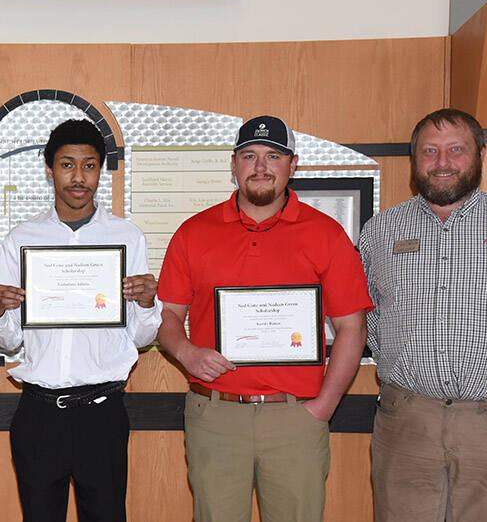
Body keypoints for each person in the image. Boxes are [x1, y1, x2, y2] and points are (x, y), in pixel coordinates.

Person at [156, 116, 372, 522]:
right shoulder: (193, 232)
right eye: (249, 156)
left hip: (296, 416)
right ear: (234, 165)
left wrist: (323, 407)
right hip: (215, 414)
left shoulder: (326, 234)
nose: (260, 167)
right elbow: (168, 315)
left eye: (274, 156)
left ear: (293, 166)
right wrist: (187, 353)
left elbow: (352, 327)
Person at [0, 119, 160, 521]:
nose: (79, 177)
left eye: (89, 165)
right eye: (67, 164)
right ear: (49, 169)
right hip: (39, 414)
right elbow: (8, 342)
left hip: (103, 412)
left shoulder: (127, 237)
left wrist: (148, 305)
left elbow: (140, 336)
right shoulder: (21, 239)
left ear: (101, 170)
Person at [359, 108, 487, 522]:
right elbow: (365, 315)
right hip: (405, 422)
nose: (442, 162)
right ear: (415, 159)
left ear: (481, 155)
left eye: (456, 149)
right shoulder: (380, 230)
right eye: (429, 151)